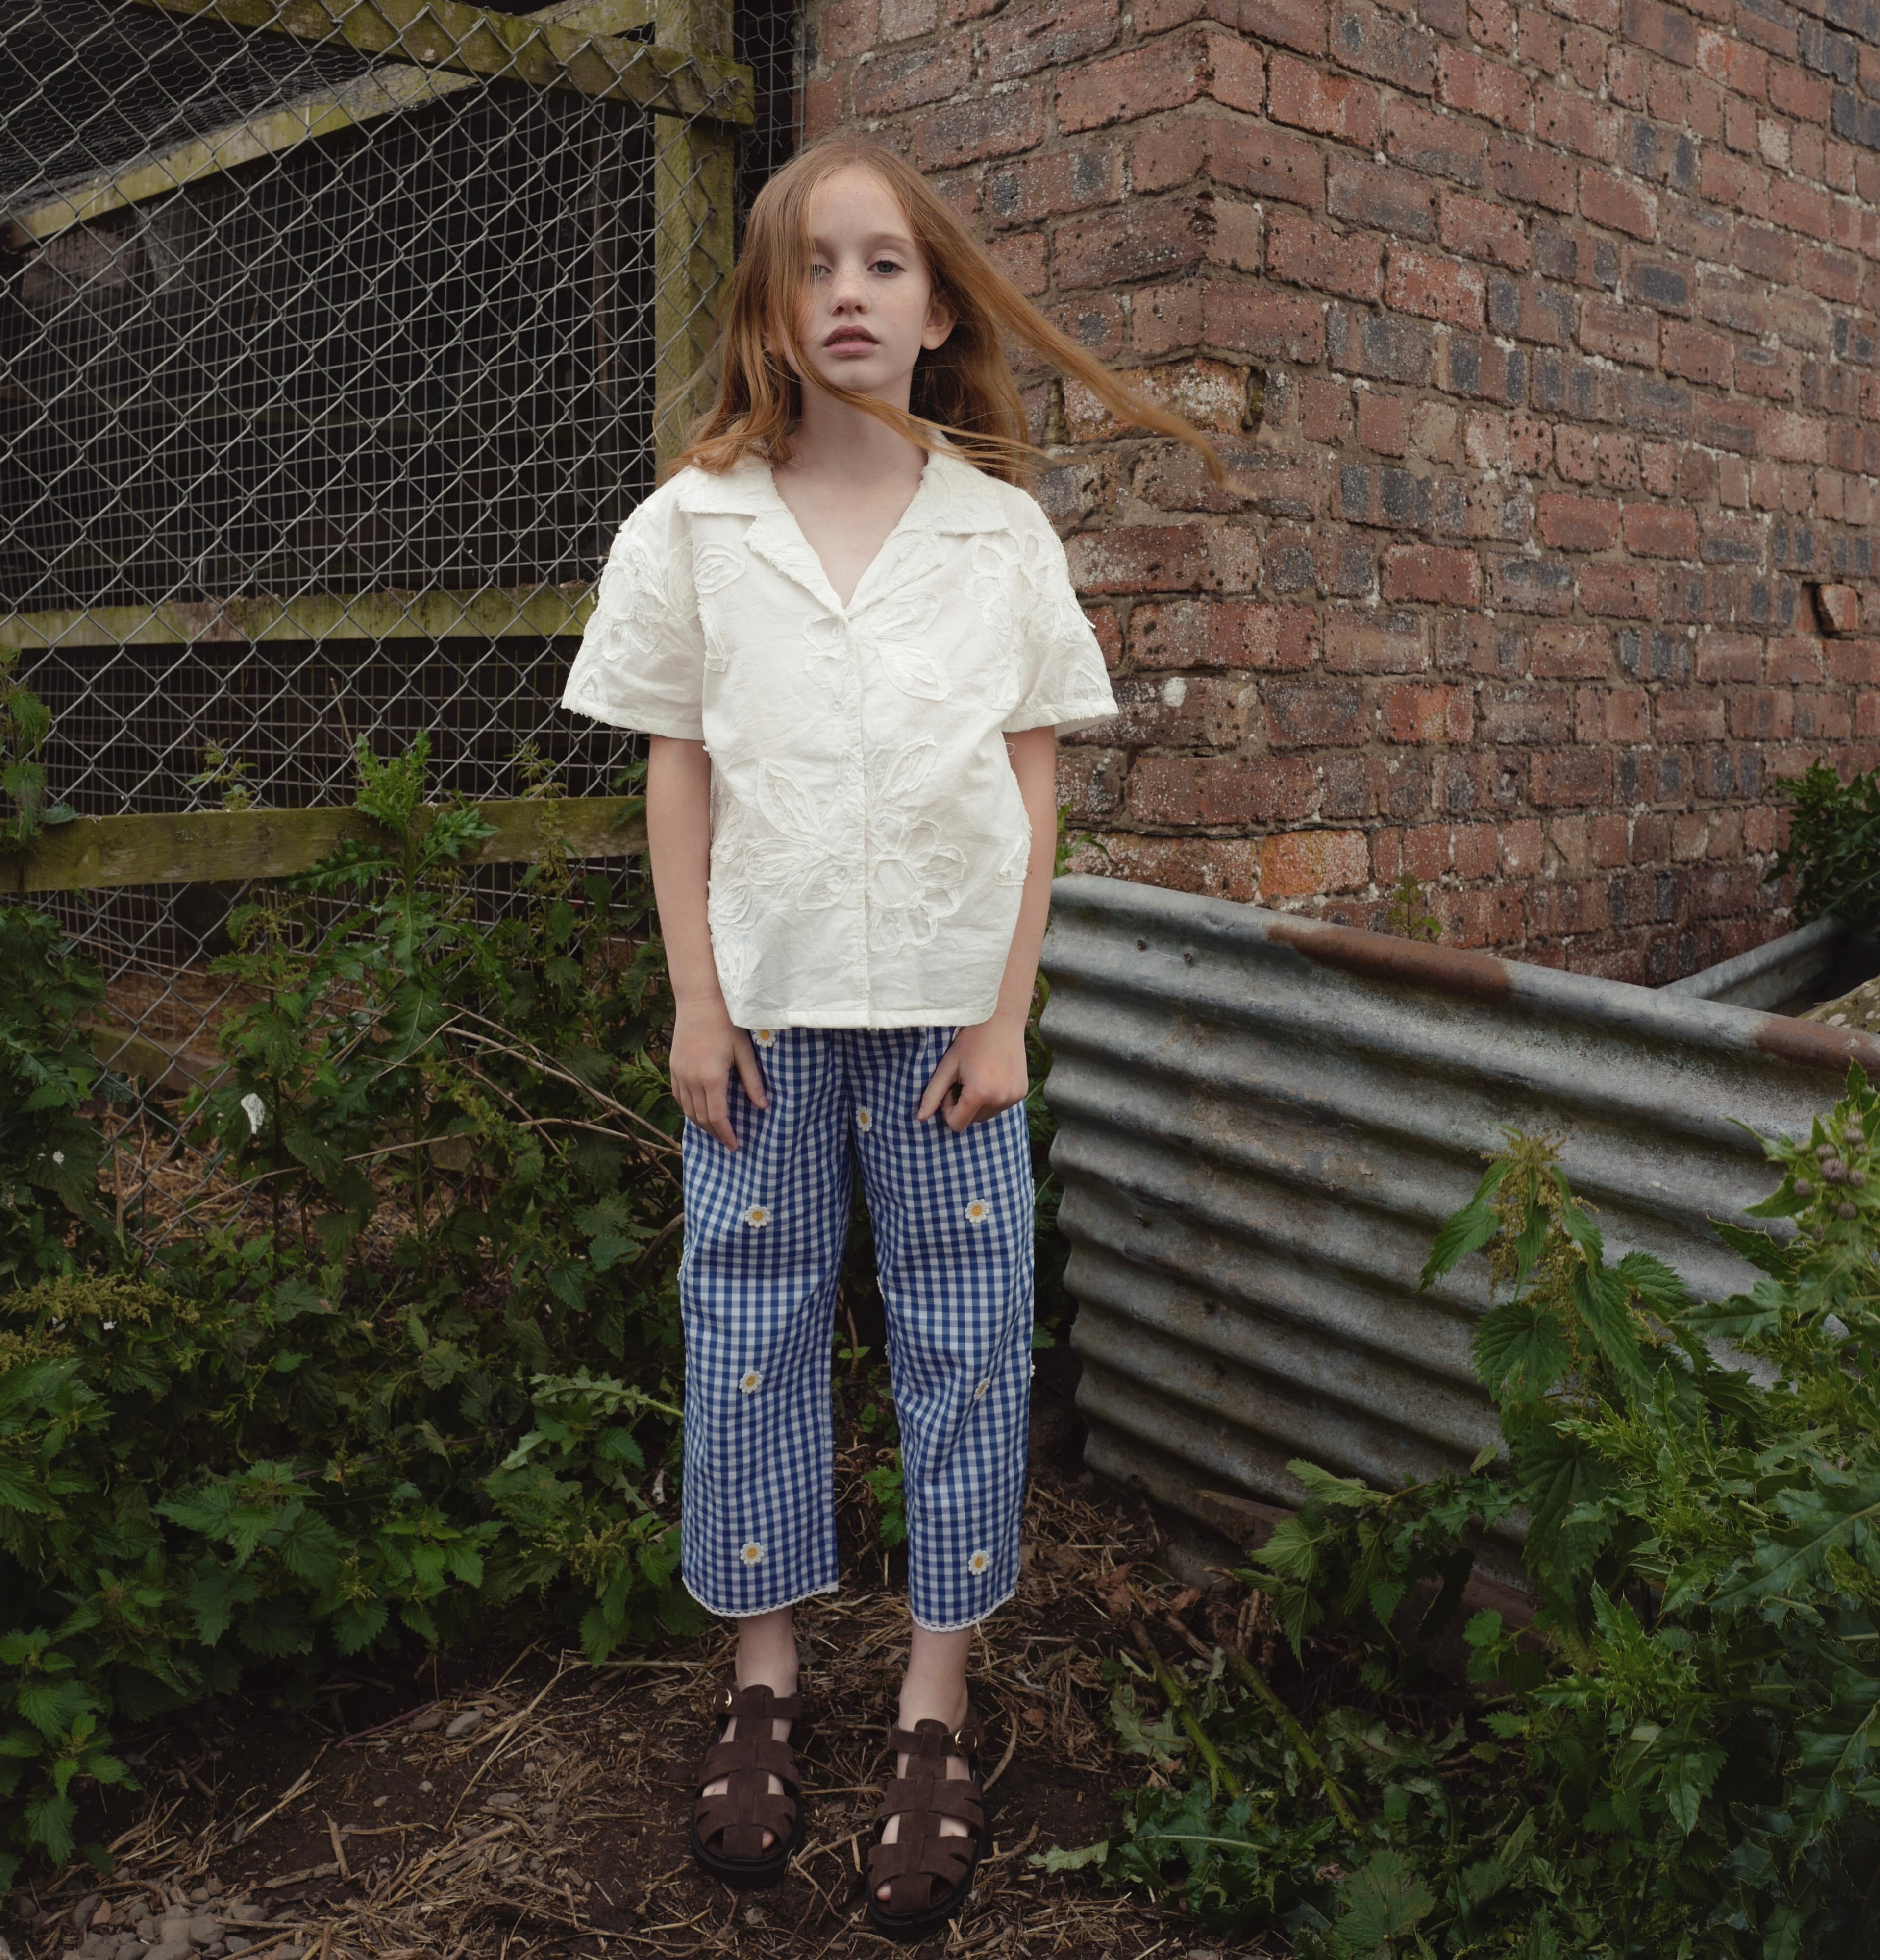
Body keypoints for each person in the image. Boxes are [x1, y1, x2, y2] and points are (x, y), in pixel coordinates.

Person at [561, 131, 1220, 1940]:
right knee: (749, 1332)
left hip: (948, 1031)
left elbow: (1034, 782)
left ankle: (936, 1697)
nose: (845, 294)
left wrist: (1010, 1016)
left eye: (882, 265)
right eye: (811, 265)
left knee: (966, 1344)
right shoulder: (693, 526)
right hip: (763, 1023)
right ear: (767, 310)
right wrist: (696, 1001)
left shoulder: (997, 534)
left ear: (937, 313)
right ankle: (765, 1676)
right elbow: (677, 771)